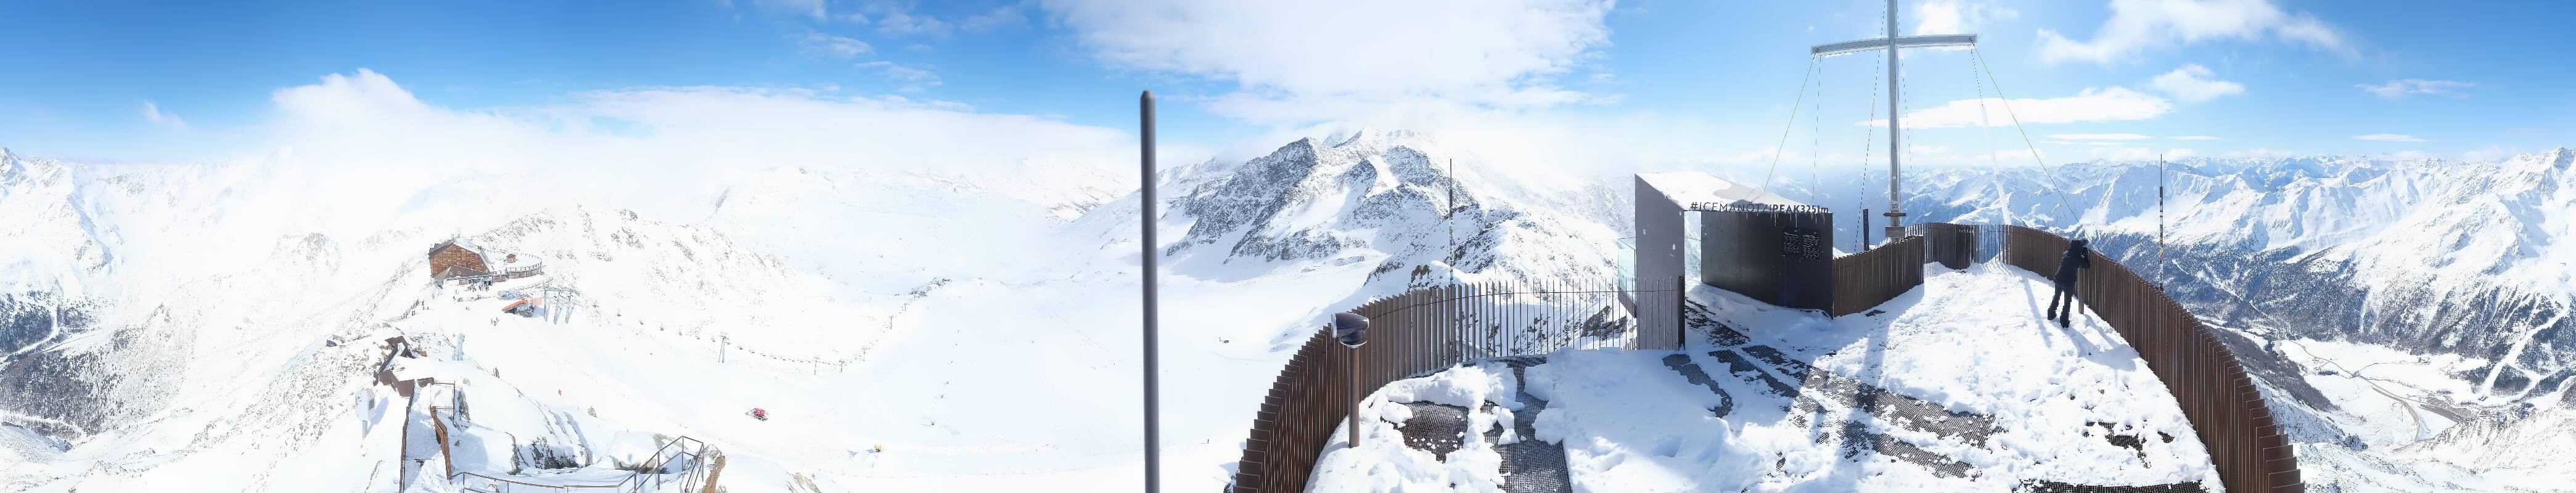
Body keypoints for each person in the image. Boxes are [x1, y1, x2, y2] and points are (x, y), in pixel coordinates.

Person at [2046, 239, 2092, 328]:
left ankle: (2051, 314)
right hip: (2068, 282)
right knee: (2067, 302)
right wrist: (2085, 254)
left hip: (2058, 279)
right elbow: (2087, 266)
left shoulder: (2066, 253)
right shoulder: (2078, 257)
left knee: (2056, 297)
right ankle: (2064, 322)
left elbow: (2071, 260)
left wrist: (2081, 253)